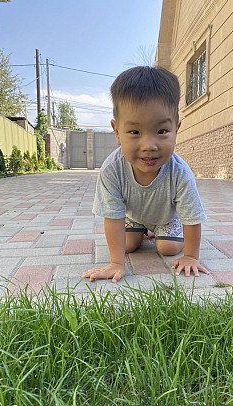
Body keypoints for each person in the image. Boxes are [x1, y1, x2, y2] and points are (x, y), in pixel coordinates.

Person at [82, 66, 210, 283]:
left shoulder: (180, 172)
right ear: (117, 132)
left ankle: (159, 231)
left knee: (168, 247)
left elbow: (192, 217)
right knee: (127, 246)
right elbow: (113, 216)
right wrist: (116, 263)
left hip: (167, 218)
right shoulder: (112, 169)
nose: (149, 145)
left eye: (161, 131)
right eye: (134, 132)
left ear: (176, 129)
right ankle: (143, 230)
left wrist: (190, 256)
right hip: (134, 218)